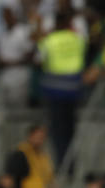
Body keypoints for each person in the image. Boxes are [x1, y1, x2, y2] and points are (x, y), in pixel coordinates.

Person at [37, 10, 86, 168]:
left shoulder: (50, 40)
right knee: (71, 130)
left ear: (56, 24)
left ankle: (62, 165)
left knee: (58, 132)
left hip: (54, 91)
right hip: (74, 90)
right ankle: (71, 166)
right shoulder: (77, 39)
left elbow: (39, 59)